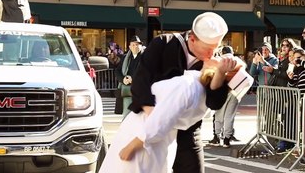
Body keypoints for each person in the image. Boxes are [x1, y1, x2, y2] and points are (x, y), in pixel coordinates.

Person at [129, 12, 235, 173]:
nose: (211, 54)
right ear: (192, 38)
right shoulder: (163, 43)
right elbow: (140, 82)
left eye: (216, 49)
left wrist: (220, 73)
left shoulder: (212, 61)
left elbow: (214, 103)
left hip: (189, 128)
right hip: (152, 118)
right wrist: (156, 118)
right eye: (207, 49)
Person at [99, 56, 237, 173]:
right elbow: (162, 119)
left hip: (146, 136)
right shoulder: (194, 88)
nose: (214, 56)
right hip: (149, 136)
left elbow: (162, 120)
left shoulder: (192, 85)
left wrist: (132, 145)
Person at [208, 46, 242, 148]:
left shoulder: (220, 60)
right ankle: (227, 139)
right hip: (236, 90)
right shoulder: (239, 61)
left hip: (223, 89)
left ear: (222, 52)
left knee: (219, 114)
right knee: (229, 115)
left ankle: (217, 137)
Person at [115, 35, 145, 117]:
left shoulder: (146, 57)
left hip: (140, 91)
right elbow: (117, 71)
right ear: (129, 47)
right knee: (126, 115)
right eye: (133, 45)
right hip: (126, 91)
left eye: (137, 45)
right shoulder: (125, 58)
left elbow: (147, 72)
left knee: (139, 116)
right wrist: (123, 79)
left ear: (141, 46)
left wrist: (133, 79)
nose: (135, 47)